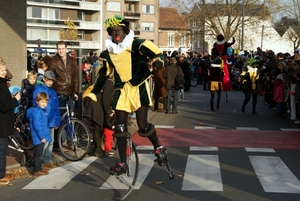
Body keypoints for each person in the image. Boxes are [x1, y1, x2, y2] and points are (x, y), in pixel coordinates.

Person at [85, 15, 169, 175]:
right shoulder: (108, 53)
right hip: (122, 90)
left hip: (138, 87)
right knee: (120, 127)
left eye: (120, 30)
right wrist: (94, 92)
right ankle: (122, 162)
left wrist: (159, 60)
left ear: (125, 31)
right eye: (114, 31)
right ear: (110, 33)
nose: (117, 33)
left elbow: (157, 52)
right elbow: (104, 74)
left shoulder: (136, 44)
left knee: (143, 125)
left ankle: (158, 146)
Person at [32, 71, 61, 168]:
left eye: (51, 81)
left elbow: (56, 107)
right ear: (44, 78)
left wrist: (57, 120)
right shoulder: (39, 89)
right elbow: (36, 104)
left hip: (51, 120)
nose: (50, 82)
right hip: (43, 120)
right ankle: (40, 162)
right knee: (44, 143)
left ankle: (47, 160)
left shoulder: (53, 91)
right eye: (48, 80)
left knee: (50, 142)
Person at [83, 74, 115, 157]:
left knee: (97, 127)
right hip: (97, 106)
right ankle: (98, 150)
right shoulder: (109, 82)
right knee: (98, 127)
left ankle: (96, 149)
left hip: (95, 104)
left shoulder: (104, 80)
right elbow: (105, 99)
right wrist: (109, 112)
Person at [0, 61, 21, 185]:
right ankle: (1, 175)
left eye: (5, 70)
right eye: (2, 70)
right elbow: (3, 106)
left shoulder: (2, 84)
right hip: (1, 123)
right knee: (2, 149)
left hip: (3, 122)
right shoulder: (0, 85)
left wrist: (11, 98)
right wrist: (15, 100)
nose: (4, 72)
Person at [48, 40, 79, 113]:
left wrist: (75, 91)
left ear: (66, 49)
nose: (61, 51)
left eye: (62, 48)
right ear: (57, 49)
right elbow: (50, 77)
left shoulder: (72, 60)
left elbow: (75, 76)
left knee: (71, 117)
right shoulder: (53, 61)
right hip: (59, 92)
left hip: (70, 93)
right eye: (59, 49)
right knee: (61, 116)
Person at [27, 92, 51, 176]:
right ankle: (36, 169)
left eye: (46, 102)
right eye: (42, 102)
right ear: (37, 101)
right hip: (38, 137)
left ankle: (39, 167)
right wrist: (42, 137)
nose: (44, 104)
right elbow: (38, 126)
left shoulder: (41, 111)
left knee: (39, 152)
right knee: (38, 153)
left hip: (39, 136)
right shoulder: (38, 112)